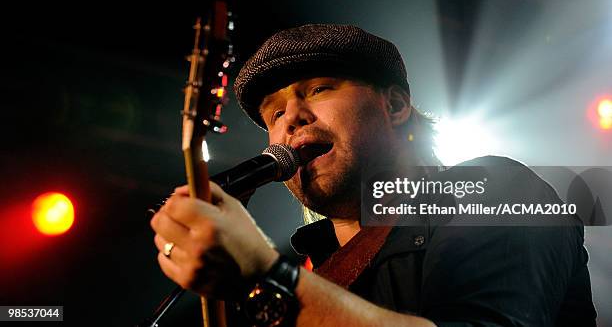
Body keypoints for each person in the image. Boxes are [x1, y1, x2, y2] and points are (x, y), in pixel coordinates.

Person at [150, 24, 597, 326]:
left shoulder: (495, 190)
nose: (292, 118)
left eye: (319, 89)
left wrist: (271, 280)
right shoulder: (313, 269)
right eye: (274, 112)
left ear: (396, 106)